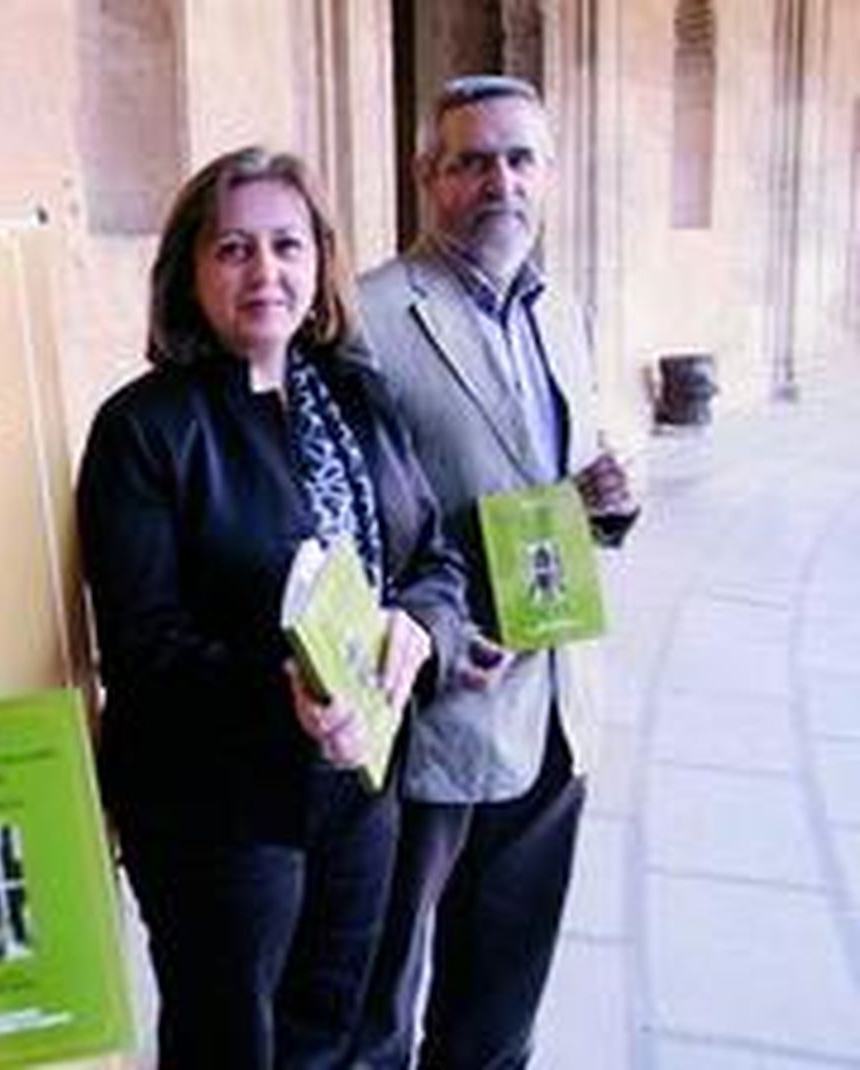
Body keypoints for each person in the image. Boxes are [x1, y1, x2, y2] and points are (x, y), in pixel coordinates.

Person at [76, 146, 468, 1068]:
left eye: (287, 245)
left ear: (320, 260)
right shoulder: (143, 429)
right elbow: (142, 647)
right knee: (229, 1043)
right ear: (190, 271)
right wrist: (283, 689)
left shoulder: (360, 397)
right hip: (218, 812)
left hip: (359, 788)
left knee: (331, 1028)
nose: (265, 271)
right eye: (233, 249)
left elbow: (434, 560)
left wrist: (420, 627)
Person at [351, 76, 640, 1069]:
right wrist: (422, 625)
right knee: (379, 996)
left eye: (520, 160)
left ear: (547, 174)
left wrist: (608, 498)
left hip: (557, 699)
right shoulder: (369, 316)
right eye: (471, 161)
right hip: (438, 706)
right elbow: (345, 519)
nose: (499, 182)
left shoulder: (561, 311)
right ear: (427, 177)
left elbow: (558, 479)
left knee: (500, 1001)